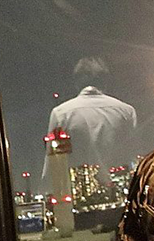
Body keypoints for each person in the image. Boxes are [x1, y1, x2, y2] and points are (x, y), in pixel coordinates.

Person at [41, 57, 137, 187]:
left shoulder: (61, 113)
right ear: (105, 81)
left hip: (78, 190)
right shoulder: (126, 111)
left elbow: (54, 163)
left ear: (76, 82)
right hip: (119, 188)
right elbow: (132, 154)